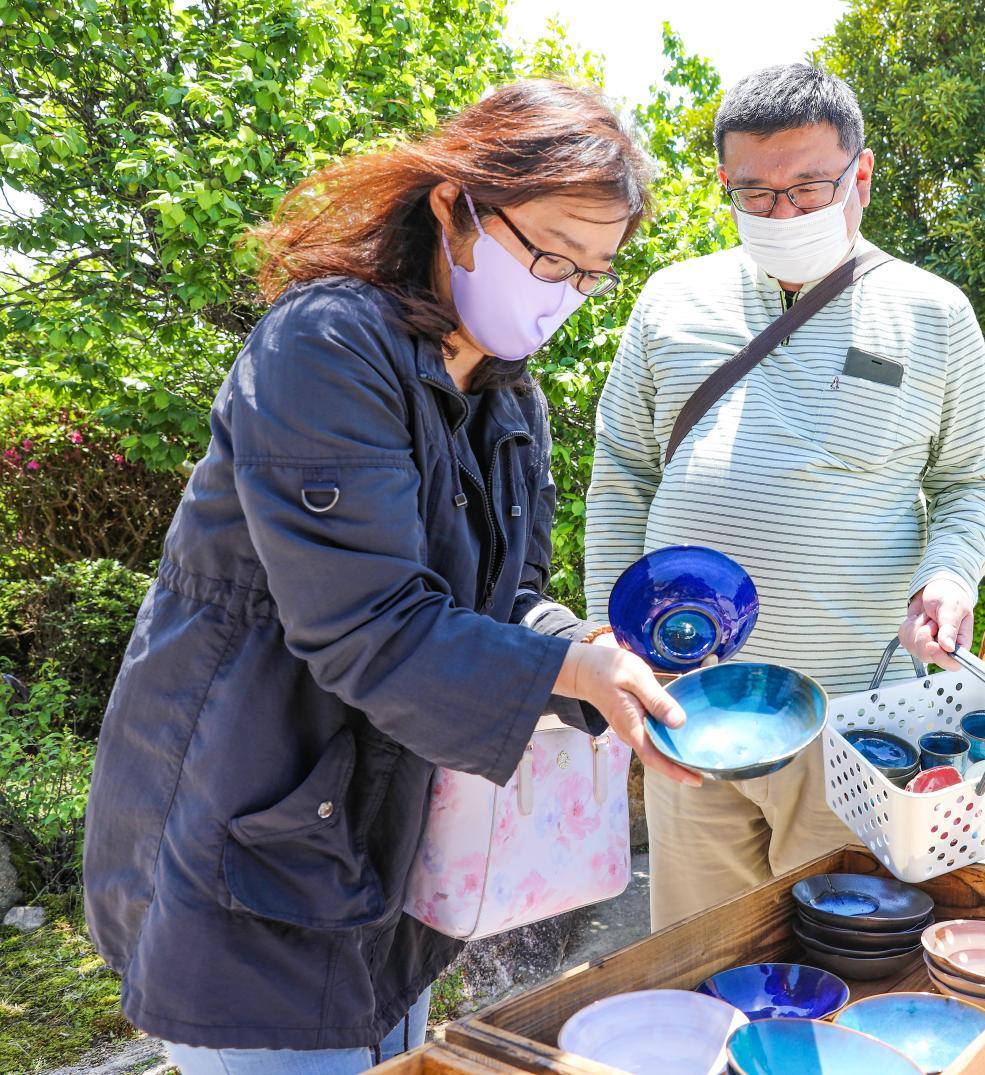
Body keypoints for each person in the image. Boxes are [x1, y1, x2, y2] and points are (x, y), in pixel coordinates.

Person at [81, 81, 701, 1074]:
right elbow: (367, 622)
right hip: (243, 811)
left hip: (383, 834)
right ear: (454, 207)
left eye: (591, 274)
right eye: (546, 252)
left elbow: (504, 603)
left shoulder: (509, 400)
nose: (560, 291)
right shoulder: (327, 346)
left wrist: (590, 648)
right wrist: (569, 676)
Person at [585, 63, 985, 928]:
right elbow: (622, 470)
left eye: (807, 187)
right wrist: (610, 631)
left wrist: (952, 575)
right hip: (689, 703)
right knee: (696, 954)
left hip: (852, 720)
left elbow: (976, 478)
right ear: (724, 185)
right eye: (754, 193)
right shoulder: (670, 300)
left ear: (859, 176)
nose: (781, 213)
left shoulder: (932, 312)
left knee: (842, 959)